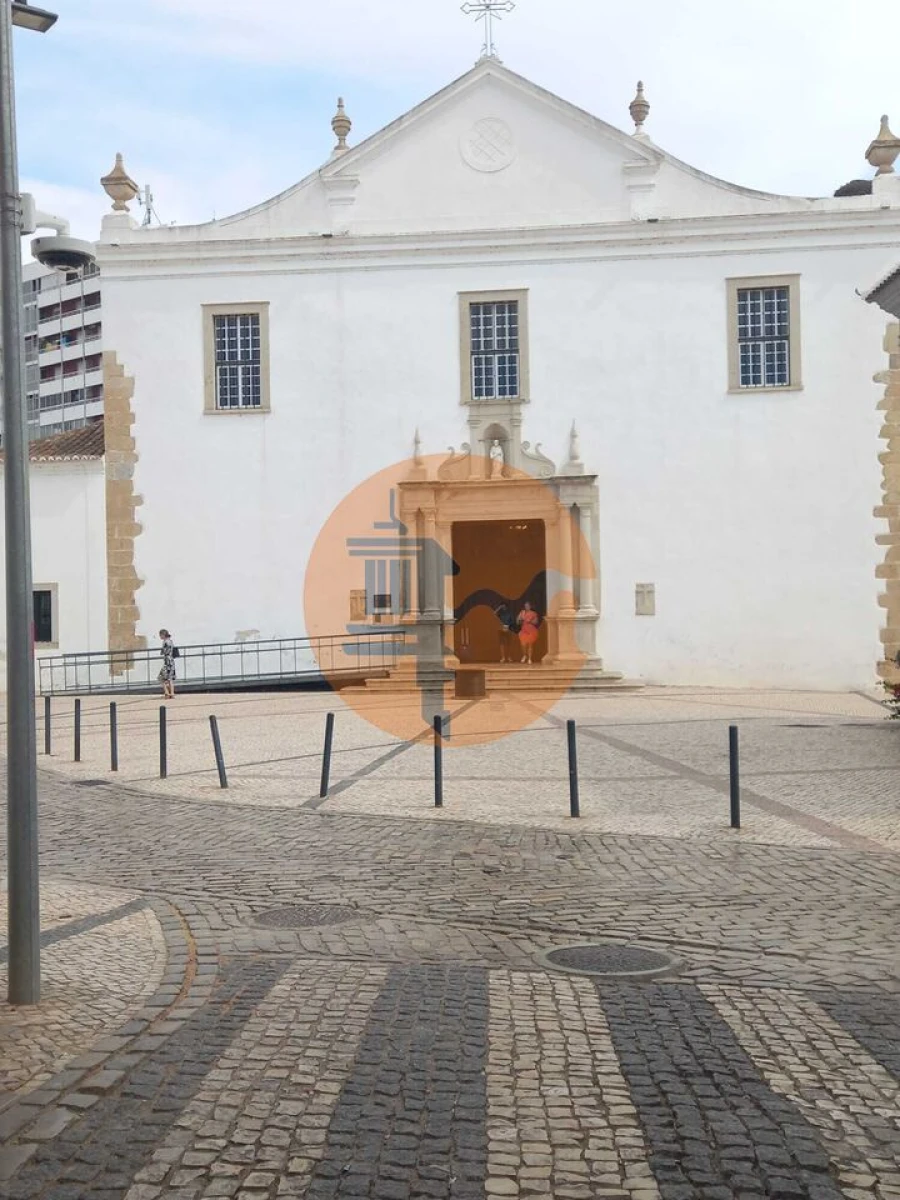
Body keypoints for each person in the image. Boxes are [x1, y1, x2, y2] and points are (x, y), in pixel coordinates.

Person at [158, 628, 176, 699]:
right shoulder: (170, 641)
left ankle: (167, 693)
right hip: (171, 661)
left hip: (167, 661)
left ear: (163, 635)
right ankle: (172, 693)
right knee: (170, 679)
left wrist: (162, 651)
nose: (160, 637)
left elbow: (164, 651)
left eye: (160, 635)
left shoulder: (165, 642)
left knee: (161, 678)